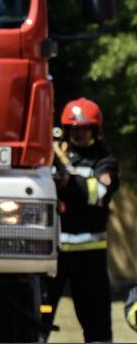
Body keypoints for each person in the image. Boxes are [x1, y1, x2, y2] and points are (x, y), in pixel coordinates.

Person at [42, 97, 119, 343]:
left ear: (95, 130)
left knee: (96, 321)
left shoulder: (104, 160)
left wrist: (70, 179)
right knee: (40, 312)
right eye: (74, 129)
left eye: (85, 128)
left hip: (89, 257)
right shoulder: (53, 156)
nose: (80, 134)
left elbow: (100, 194)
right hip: (53, 256)